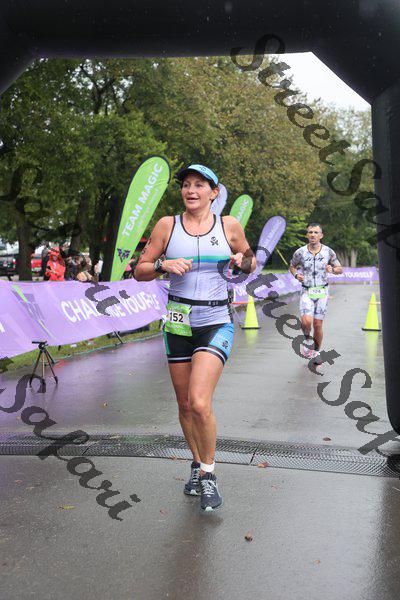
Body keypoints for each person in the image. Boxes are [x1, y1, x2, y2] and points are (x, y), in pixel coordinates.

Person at [134, 164, 256, 512]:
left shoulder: (228, 225)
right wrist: (163, 266)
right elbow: (140, 270)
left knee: (200, 402)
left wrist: (242, 261)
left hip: (216, 320)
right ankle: (197, 462)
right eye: (186, 185)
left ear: (213, 193)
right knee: (185, 405)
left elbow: (250, 262)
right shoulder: (167, 225)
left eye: (199, 185)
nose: (191, 190)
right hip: (177, 323)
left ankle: (209, 474)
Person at [289, 223, 343, 364]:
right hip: (306, 291)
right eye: (310, 232)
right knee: (306, 322)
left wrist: (332, 270)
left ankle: (316, 351)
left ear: (321, 235)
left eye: (316, 232)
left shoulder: (328, 252)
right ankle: (307, 339)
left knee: (318, 324)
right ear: (307, 235)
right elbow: (292, 266)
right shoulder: (300, 252)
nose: (313, 234)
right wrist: (296, 275)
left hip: (322, 291)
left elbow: (340, 269)